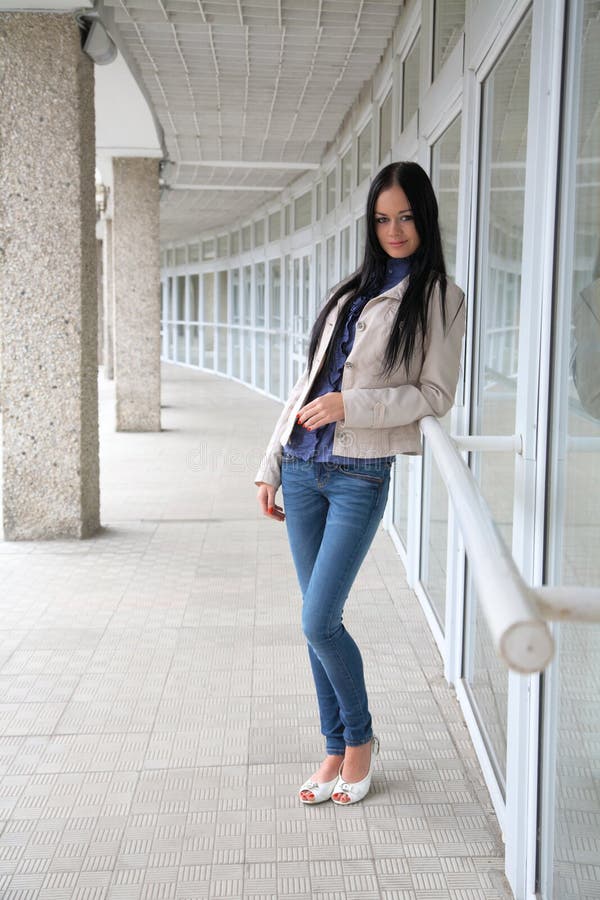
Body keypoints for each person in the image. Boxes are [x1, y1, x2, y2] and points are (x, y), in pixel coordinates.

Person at [255, 161, 466, 806]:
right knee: (314, 619)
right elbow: (306, 385)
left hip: (358, 472)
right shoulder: (353, 292)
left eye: (405, 216)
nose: (394, 229)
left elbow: (434, 395)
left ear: (424, 217)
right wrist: (268, 465)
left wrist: (354, 404)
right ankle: (332, 747)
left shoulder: (441, 298)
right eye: (382, 218)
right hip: (303, 463)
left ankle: (361, 743)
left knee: (319, 620)